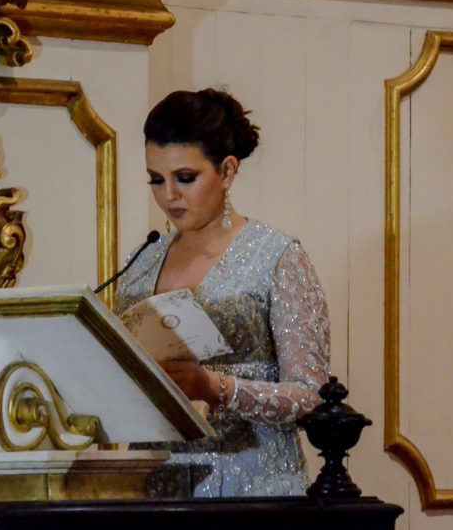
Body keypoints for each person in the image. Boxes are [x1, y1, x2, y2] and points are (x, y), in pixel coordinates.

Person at [115, 88, 331, 497]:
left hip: (254, 489)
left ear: (227, 171)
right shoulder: (139, 264)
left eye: (185, 178)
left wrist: (217, 388)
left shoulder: (277, 257)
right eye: (156, 180)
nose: (169, 196)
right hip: (153, 491)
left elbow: (312, 400)